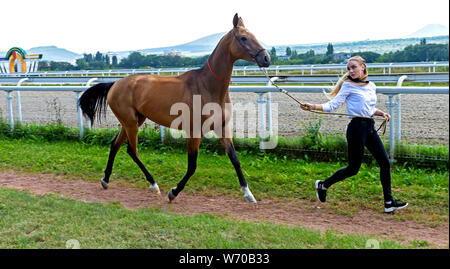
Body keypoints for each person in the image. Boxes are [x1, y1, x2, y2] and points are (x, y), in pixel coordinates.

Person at [300, 56, 408, 213]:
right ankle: (323, 185)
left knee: (384, 162)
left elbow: (368, 108)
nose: (351, 71)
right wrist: (313, 106)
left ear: (363, 67)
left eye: (353, 67)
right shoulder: (348, 86)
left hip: (369, 127)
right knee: (353, 168)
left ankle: (389, 202)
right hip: (356, 129)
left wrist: (381, 113)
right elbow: (332, 105)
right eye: (348, 69)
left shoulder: (371, 86)